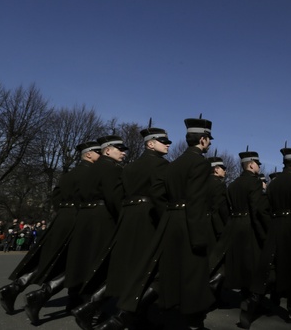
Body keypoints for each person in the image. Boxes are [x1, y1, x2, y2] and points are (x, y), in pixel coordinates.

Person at [103, 118, 216, 330]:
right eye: (208, 139)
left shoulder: (174, 165)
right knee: (191, 277)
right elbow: (196, 201)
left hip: (170, 221)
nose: (209, 143)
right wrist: (200, 236)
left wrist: (169, 216)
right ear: (203, 139)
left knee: (165, 275)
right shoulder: (199, 163)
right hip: (188, 223)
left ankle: (123, 318)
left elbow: (158, 193)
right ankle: (192, 323)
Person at [71, 127, 171, 330]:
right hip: (147, 218)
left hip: (128, 217)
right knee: (149, 269)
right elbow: (159, 195)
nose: (168, 144)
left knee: (126, 267)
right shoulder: (161, 166)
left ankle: (94, 307)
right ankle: (116, 314)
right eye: (163, 140)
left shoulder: (129, 168)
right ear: (150, 143)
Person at [0, 140, 100, 320]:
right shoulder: (92, 172)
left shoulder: (70, 173)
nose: (101, 155)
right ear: (89, 154)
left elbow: (56, 196)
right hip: (78, 217)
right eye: (98, 152)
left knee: (54, 259)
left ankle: (15, 288)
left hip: (63, 217)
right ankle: (43, 296)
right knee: (76, 261)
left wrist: (64, 211)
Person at [239, 146, 291, 328]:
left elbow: (263, 208)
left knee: (266, 268)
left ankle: (250, 307)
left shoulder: (274, 183)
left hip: (275, 227)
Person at [65, 135, 127, 311]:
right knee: (101, 262)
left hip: (85, 216)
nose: (123, 153)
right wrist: (122, 217)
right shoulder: (112, 168)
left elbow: (76, 196)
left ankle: (74, 300)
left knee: (82, 259)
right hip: (103, 217)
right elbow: (114, 197)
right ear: (107, 150)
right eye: (119, 149)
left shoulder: (87, 169)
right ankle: (91, 309)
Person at [208, 149, 268, 309]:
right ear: (251, 165)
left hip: (233, 225)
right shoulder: (254, 182)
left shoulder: (233, 184)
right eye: (257, 164)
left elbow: (226, 209)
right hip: (248, 227)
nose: (259, 167)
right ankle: (249, 303)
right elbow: (256, 210)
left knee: (237, 264)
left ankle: (240, 296)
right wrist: (263, 234)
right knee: (252, 266)